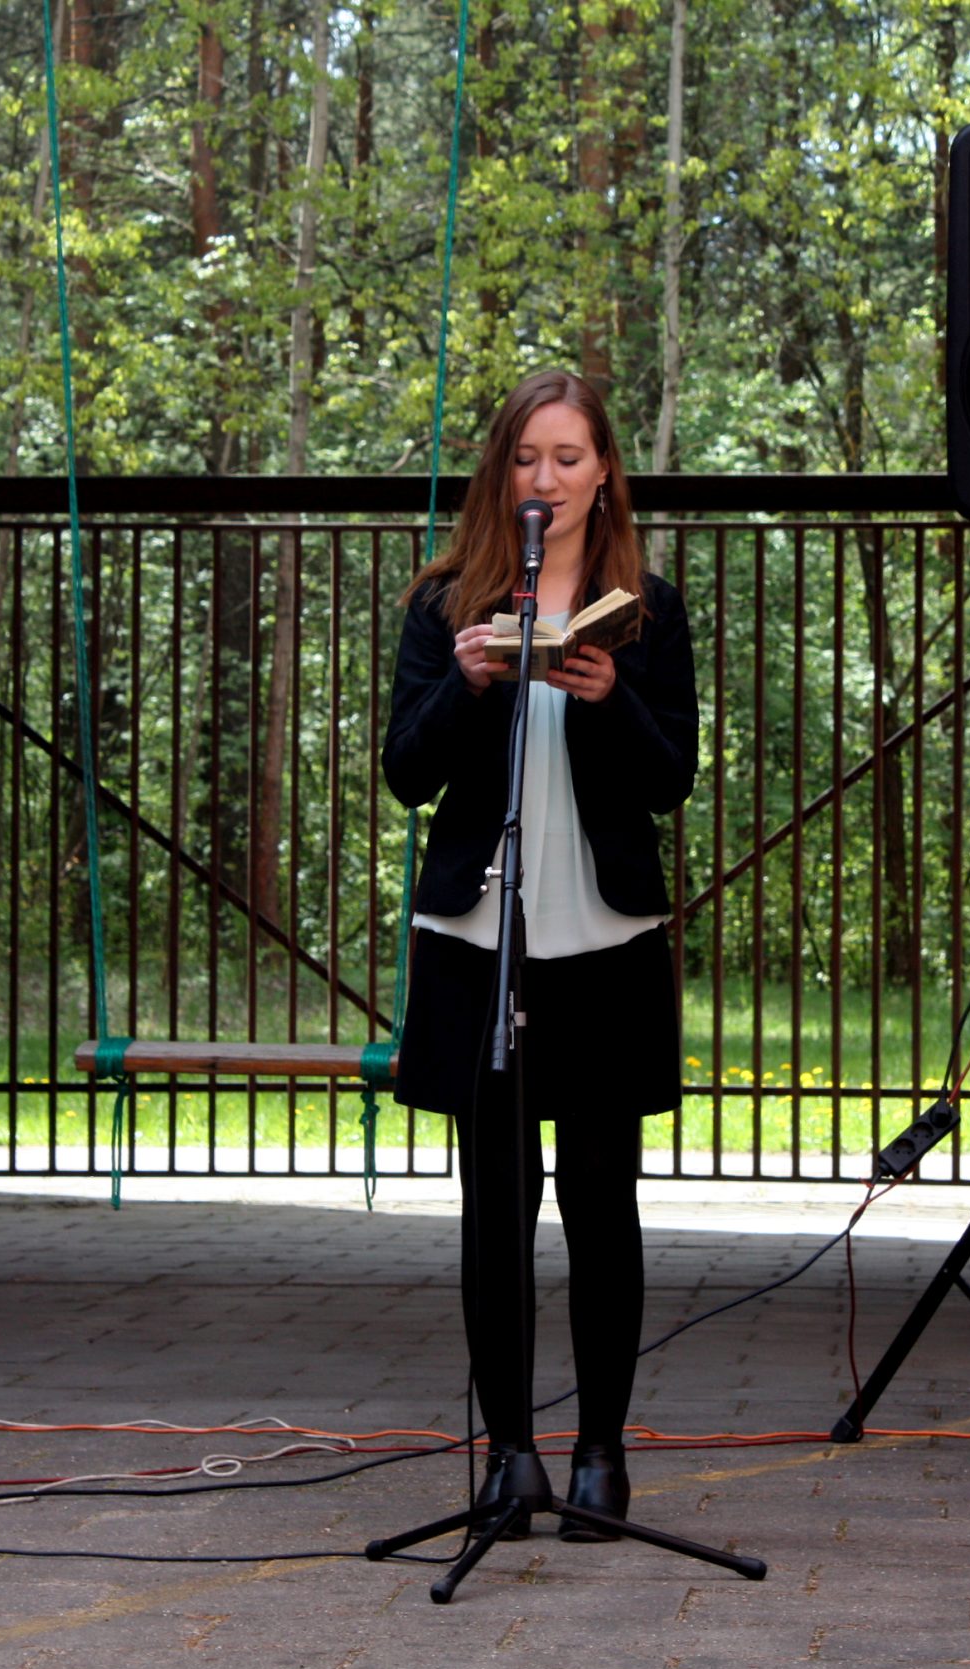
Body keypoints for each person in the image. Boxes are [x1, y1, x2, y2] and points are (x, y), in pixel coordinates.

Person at [382, 370, 698, 1540]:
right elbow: (407, 772)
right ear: (499, 475)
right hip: (483, 940)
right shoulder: (444, 607)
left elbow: (669, 779)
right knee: (495, 1207)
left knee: (601, 1202)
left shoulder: (644, 610)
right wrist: (466, 686)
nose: (546, 480)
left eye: (568, 458)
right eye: (526, 458)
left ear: (603, 472)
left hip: (603, 941)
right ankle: (509, 1456)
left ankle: (601, 1457)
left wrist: (610, 697)